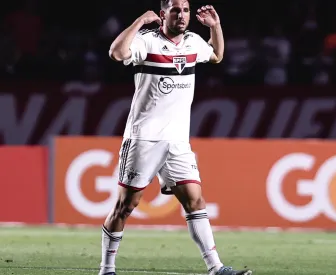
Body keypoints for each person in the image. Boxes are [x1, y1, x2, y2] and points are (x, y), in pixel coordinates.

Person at [99, 1, 252, 275]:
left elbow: (216, 55)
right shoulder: (147, 42)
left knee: (195, 201)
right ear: (162, 14)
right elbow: (116, 52)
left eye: (185, 10)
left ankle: (216, 268)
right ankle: (106, 269)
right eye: (175, 10)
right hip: (143, 139)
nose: (181, 16)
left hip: (178, 142)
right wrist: (138, 22)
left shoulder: (193, 42)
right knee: (125, 206)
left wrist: (215, 27)